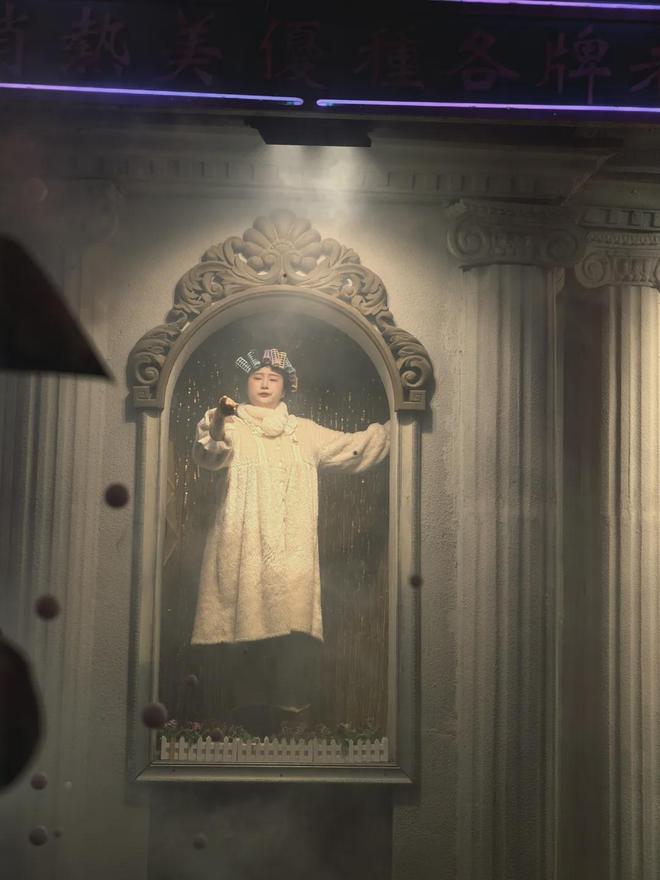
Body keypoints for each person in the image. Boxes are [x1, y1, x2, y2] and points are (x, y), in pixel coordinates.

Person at [190, 347, 390, 722]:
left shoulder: (305, 433)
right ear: (246, 384)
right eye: (257, 377)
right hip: (244, 546)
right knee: (245, 629)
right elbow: (209, 456)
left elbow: (353, 448)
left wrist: (397, 428)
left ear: (285, 387)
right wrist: (218, 420)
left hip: (290, 552)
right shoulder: (230, 425)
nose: (265, 384)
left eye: (273, 378)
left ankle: (286, 718)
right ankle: (244, 718)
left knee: (288, 635)